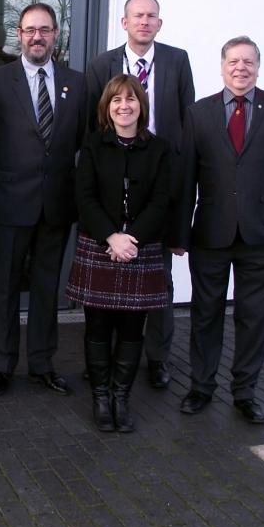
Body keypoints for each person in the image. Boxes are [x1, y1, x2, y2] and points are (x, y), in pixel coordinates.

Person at [177, 36, 264, 424]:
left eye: (248, 61)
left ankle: (245, 392)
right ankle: (201, 386)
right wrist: (180, 235)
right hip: (211, 234)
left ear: (258, 67)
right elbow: (186, 179)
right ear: (222, 66)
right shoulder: (198, 113)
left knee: (255, 317)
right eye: (234, 61)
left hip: (263, 238)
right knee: (205, 314)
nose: (240, 68)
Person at [85, 0, 194, 389]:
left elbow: (187, 127)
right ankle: (109, 358)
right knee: (111, 281)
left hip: (159, 185)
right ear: (124, 22)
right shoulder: (101, 65)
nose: (144, 22)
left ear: (159, 24)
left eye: (151, 16)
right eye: (137, 16)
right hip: (113, 187)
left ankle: (157, 358)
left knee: (157, 279)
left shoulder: (178, 61)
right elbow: (94, 126)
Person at [0, 2, 87, 397]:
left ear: (55, 34)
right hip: (9, 201)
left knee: (46, 288)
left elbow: (81, 141)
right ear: (19, 34)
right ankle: (1, 364)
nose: (37, 36)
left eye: (44, 29)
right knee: (5, 287)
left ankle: (42, 363)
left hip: (56, 203)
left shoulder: (77, 83)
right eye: (29, 30)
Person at [67, 75, 173, 433]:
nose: (124, 106)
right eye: (116, 100)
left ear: (141, 105)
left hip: (140, 250)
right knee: (97, 327)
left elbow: (162, 202)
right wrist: (112, 237)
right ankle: (100, 398)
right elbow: (84, 199)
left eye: (131, 99)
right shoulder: (93, 146)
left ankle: (120, 397)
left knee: (131, 330)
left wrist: (132, 239)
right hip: (101, 246)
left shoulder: (159, 149)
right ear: (106, 107)